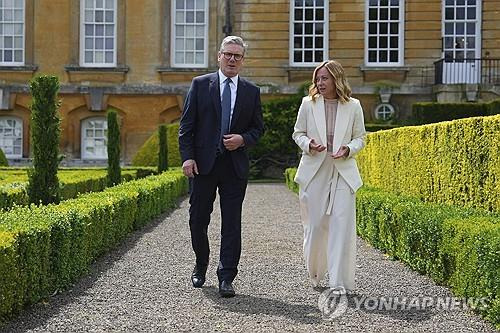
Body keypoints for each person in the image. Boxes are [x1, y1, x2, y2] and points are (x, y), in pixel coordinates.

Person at [178, 36, 264, 297]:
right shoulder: (201, 85)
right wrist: (187, 157)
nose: (232, 60)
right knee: (197, 220)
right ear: (219, 56)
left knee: (231, 224)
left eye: (237, 56)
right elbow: (186, 127)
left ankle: (226, 275)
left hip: (234, 168)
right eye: (228, 54)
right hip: (203, 166)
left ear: (243, 60)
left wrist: (242, 140)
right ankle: (201, 263)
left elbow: (258, 129)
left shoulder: (251, 91)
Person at [292, 60, 366, 294]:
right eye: (318, 79)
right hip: (315, 170)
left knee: (341, 226)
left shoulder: (354, 106)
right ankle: (315, 271)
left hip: (343, 171)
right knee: (314, 226)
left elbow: (360, 138)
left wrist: (348, 149)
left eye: (324, 78)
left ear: (337, 79)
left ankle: (339, 282)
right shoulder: (308, 104)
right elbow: (298, 133)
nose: (319, 83)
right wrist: (308, 144)